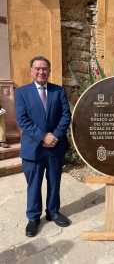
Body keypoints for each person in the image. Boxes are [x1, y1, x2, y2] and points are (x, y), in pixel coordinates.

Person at [15, 56, 71, 237]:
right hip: (33, 147)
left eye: (45, 68)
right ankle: (33, 217)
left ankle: (53, 211)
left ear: (49, 70)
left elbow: (65, 116)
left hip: (55, 146)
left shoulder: (58, 91)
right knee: (34, 184)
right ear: (31, 70)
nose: (41, 72)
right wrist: (42, 136)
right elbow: (22, 119)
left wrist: (54, 135)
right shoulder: (22, 92)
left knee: (54, 181)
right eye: (37, 68)